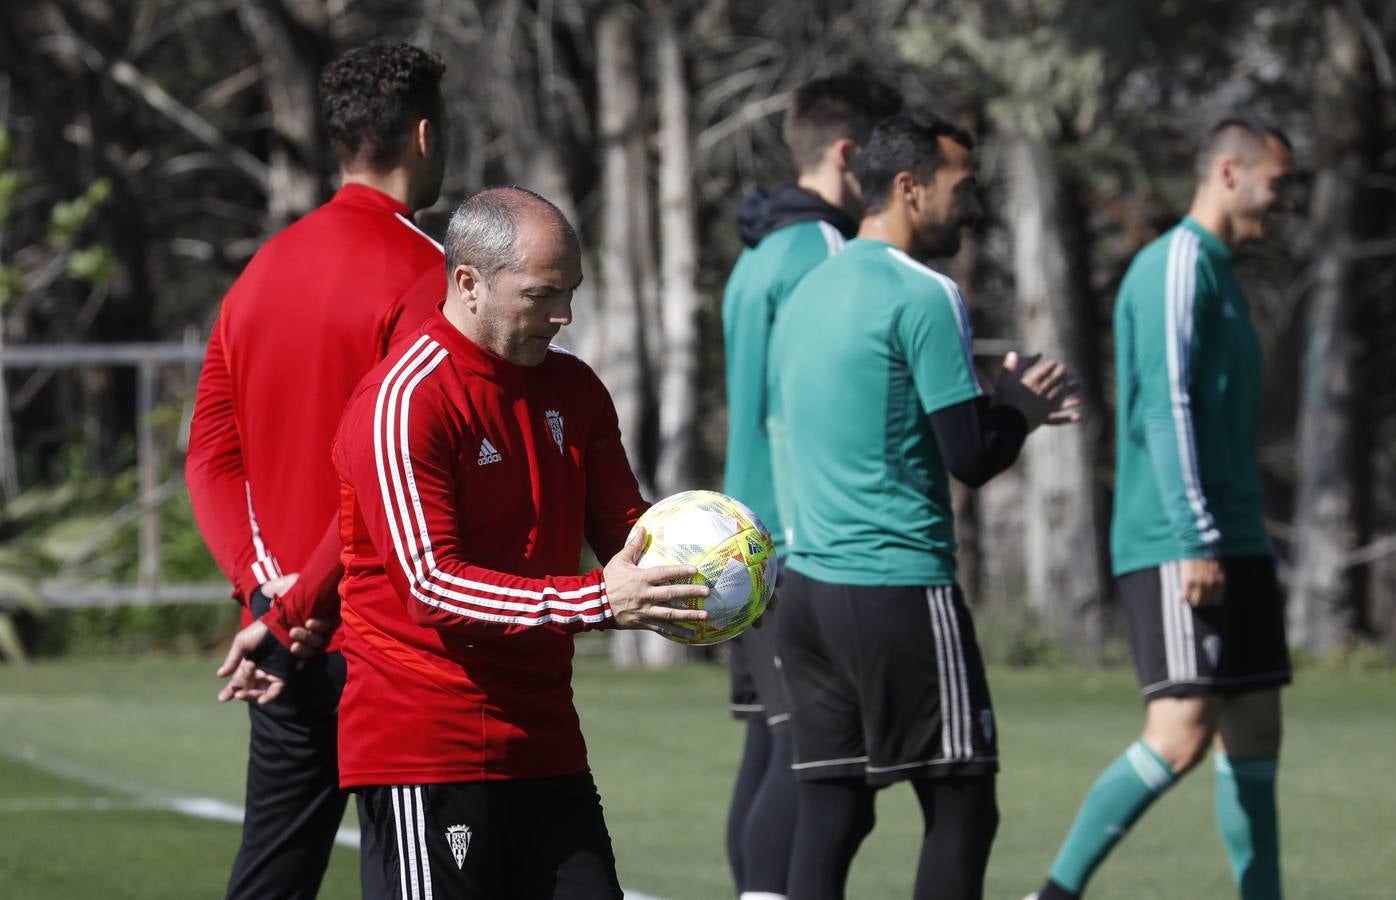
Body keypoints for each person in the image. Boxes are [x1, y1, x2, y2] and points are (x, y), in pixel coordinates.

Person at [332, 186, 711, 899]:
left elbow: (626, 528)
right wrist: (599, 599)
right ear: (468, 283)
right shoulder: (407, 399)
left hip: (544, 740)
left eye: (570, 292)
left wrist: (715, 570)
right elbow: (430, 585)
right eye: (543, 294)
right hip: (429, 745)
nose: (563, 314)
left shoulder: (574, 386)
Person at [767, 111, 1081, 900]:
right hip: (895, 588)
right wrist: (1015, 406)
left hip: (804, 593)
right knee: (963, 804)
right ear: (909, 188)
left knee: (833, 813)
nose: (970, 208)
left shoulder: (808, 289)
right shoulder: (926, 293)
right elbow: (972, 456)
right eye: (961, 188)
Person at [185, 41, 448, 899]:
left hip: (286, 641)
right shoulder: (428, 277)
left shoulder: (260, 272)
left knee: (271, 877)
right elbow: (395, 481)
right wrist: (300, 600)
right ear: (422, 135)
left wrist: (265, 597)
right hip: (388, 639)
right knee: (409, 878)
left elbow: (211, 457)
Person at [1026, 118, 1294, 900]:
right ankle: (1050, 895)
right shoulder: (1175, 264)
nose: (1282, 201)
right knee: (1179, 736)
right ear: (1228, 173)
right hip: (1181, 540)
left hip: (1233, 536)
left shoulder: (1222, 273)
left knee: (1255, 735)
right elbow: (1163, 407)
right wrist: (1192, 534)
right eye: (1276, 183)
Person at [720, 72, 900, 900]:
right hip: (799, 540)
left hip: (741, 535)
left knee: (772, 747)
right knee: (819, 765)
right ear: (847, 153)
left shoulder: (756, 257)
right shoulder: (830, 254)